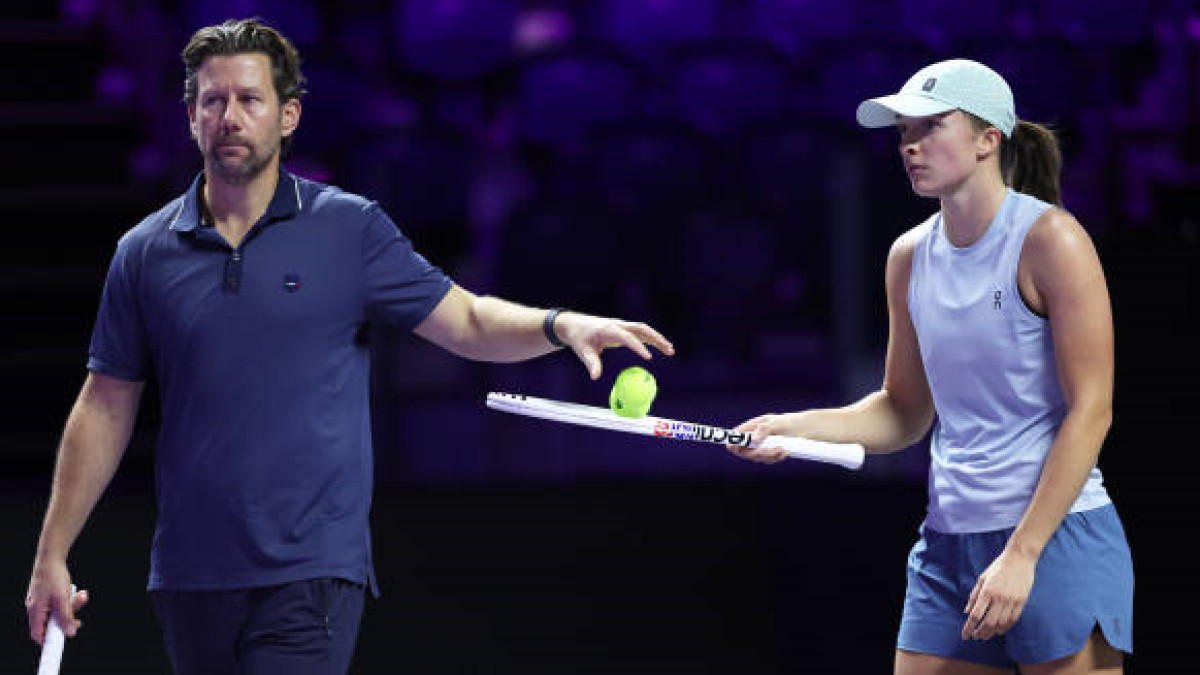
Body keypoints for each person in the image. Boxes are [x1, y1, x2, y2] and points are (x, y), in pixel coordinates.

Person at [24, 18, 673, 675]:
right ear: (191, 116)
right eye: (212, 101)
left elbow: (468, 321)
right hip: (190, 575)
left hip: (310, 573)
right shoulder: (143, 253)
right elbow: (105, 404)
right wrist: (53, 550)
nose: (229, 116)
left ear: (288, 116)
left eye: (250, 99)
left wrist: (560, 324)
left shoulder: (348, 228)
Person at [728, 59, 1133, 674]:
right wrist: (794, 426)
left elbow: (1093, 409)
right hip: (948, 546)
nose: (909, 146)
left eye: (929, 127)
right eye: (902, 133)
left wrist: (1023, 554)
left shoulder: (1053, 239)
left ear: (987, 139)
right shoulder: (909, 256)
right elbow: (903, 411)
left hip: (1056, 537)